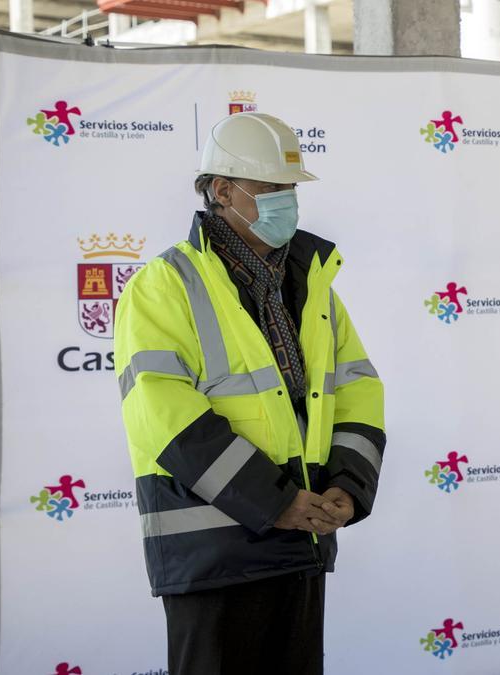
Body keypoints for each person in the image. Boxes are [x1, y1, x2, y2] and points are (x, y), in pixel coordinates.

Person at [114, 112, 385, 675]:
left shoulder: (311, 285)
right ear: (221, 190)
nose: (286, 200)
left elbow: (358, 388)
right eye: (270, 188)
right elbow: (162, 412)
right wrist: (273, 500)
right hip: (214, 552)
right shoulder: (163, 285)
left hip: (301, 542)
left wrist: (347, 487)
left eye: (291, 188)